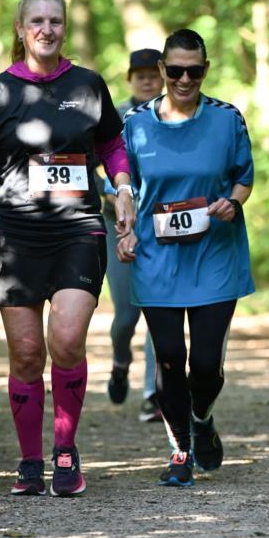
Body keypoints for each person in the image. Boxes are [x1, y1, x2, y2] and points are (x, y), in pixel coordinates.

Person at [0, 0, 134, 496]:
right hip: (16, 236)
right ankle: (30, 460)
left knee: (67, 341)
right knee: (27, 354)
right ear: (21, 28)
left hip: (78, 229)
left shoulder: (88, 85)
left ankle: (66, 451)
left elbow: (112, 143)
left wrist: (124, 185)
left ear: (64, 28)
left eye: (55, 21)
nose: (46, 29)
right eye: (37, 21)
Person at [118, 28, 254, 486]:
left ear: (205, 70)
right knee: (170, 357)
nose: (183, 79)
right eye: (174, 70)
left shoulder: (227, 117)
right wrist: (125, 228)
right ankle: (180, 450)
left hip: (216, 253)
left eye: (193, 71)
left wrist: (233, 203)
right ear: (161, 70)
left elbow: (244, 177)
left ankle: (201, 416)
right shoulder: (134, 124)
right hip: (157, 258)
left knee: (206, 364)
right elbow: (125, 187)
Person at [104, 48, 164, 422]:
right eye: (138, 74)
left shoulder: (172, 116)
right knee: (127, 315)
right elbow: (93, 164)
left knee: (160, 313)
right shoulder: (113, 116)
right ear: (130, 78)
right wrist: (112, 193)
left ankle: (153, 393)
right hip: (118, 225)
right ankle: (120, 361)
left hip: (161, 227)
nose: (146, 80)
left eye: (152, 73)